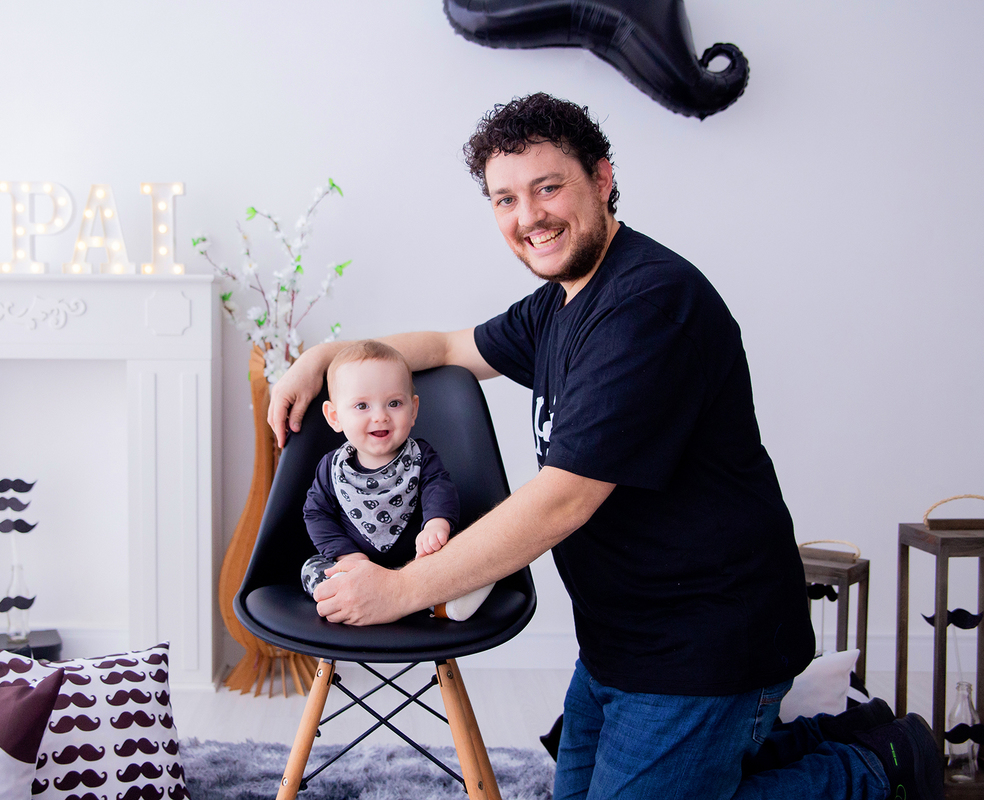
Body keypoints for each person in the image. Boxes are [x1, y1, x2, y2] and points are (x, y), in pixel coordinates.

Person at [267, 93, 941, 799]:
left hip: (705, 643)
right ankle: (805, 739)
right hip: (620, 643)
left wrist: (400, 588)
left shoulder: (647, 306)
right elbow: (447, 346)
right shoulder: (560, 300)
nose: (529, 217)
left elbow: (562, 501)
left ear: (602, 179)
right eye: (505, 199)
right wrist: (326, 355)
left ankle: (876, 770)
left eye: (548, 187)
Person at [300, 340, 493, 621]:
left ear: (413, 409)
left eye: (394, 403)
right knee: (312, 568)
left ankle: (440, 604)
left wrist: (435, 524)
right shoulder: (332, 468)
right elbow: (316, 514)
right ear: (335, 416)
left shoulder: (421, 456)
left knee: (458, 555)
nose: (380, 416)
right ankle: (340, 598)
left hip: (414, 564)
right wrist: (346, 556)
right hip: (352, 565)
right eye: (362, 405)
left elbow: (438, 489)